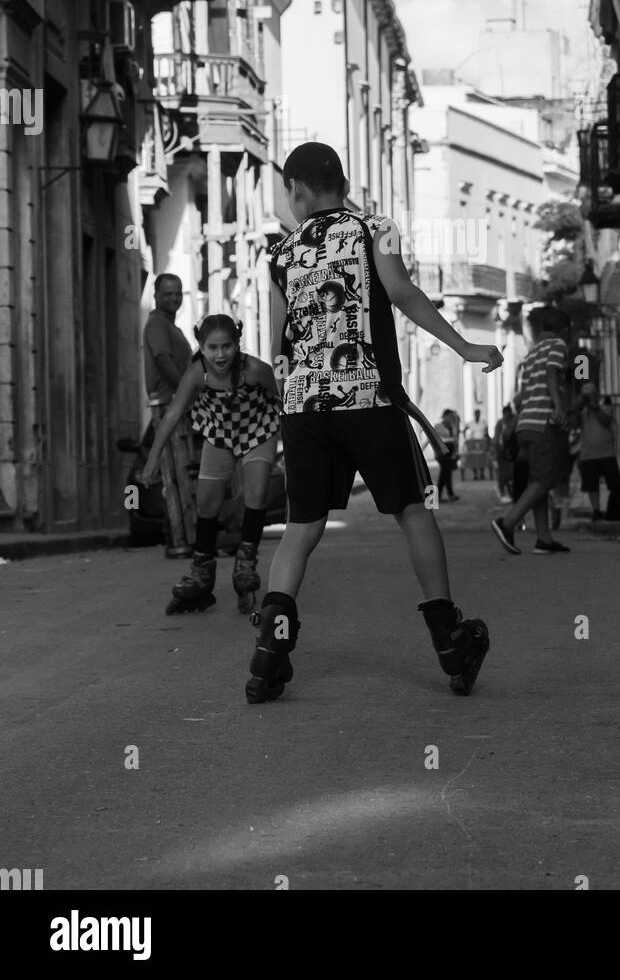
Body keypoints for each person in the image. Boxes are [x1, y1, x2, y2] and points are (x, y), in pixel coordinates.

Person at [249, 142, 503, 704]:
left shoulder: (281, 254)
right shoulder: (376, 230)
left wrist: (292, 398)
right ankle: (450, 641)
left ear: (296, 190)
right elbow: (402, 293)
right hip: (368, 400)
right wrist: (462, 346)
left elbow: (280, 344)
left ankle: (269, 654)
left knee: (301, 527)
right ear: (340, 182)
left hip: (304, 408)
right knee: (413, 511)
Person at [141, 315, 281, 616]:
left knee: (255, 493)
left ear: (237, 344)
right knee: (206, 503)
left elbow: (285, 400)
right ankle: (201, 572)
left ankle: (245, 566)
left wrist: (295, 446)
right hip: (219, 433)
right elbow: (173, 414)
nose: (220, 355)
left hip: (259, 430)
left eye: (227, 346)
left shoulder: (255, 370)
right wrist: (152, 459)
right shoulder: (196, 372)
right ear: (201, 347)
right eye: (213, 347)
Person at [490, 306, 572, 555]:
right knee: (546, 479)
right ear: (565, 329)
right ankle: (507, 522)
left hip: (525, 423)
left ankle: (544, 539)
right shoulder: (557, 345)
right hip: (543, 423)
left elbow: (523, 392)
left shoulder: (532, 351)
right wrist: (558, 407)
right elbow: (551, 374)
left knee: (538, 479)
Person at [142, 274, 196, 556]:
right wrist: (186, 388)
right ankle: (179, 540)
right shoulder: (157, 324)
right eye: (168, 294)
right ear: (156, 295)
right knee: (173, 477)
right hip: (166, 405)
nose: (174, 298)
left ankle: (186, 536)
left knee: (182, 474)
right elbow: (163, 360)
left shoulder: (170, 325)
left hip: (176, 404)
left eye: (178, 293)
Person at [576, 383, 620, 520]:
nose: (588, 397)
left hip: (606, 453)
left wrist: (593, 406)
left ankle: (617, 510)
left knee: (614, 482)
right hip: (588, 454)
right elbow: (573, 423)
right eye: (586, 394)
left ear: (596, 395)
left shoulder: (605, 408)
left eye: (590, 394)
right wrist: (579, 405)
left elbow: (606, 421)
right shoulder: (582, 412)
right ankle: (596, 510)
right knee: (592, 486)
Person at [492, 403, 517, 502]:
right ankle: (502, 491)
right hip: (502, 452)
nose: (506, 416)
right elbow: (496, 439)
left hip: (512, 451)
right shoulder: (500, 423)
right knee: (502, 473)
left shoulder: (515, 420)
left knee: (512, 473)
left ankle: (511, 492)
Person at [435, 410, 460, 504]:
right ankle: (445, 496)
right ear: (444, 416)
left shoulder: (452, 426)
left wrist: (455, 452)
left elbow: (454, 440)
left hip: (449, 453)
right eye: (449, 417)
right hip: (442, 453)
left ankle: (448, 495)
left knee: (446, 474)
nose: (450, 419)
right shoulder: (439, 426)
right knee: (444, 474)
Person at [464, 408, 490, 479]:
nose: (477, 415)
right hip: (473, 443)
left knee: (482, 457)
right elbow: (464, 429)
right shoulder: (471, 423)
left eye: (478, 413)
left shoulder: (483, 422)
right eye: (476, 414)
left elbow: (486, 432)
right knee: (473, 458)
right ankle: (475, 474)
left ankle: (481, 473)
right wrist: (466, 438)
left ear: (480, 414)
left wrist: (487, 440)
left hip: (482, 442)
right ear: (474, 414)